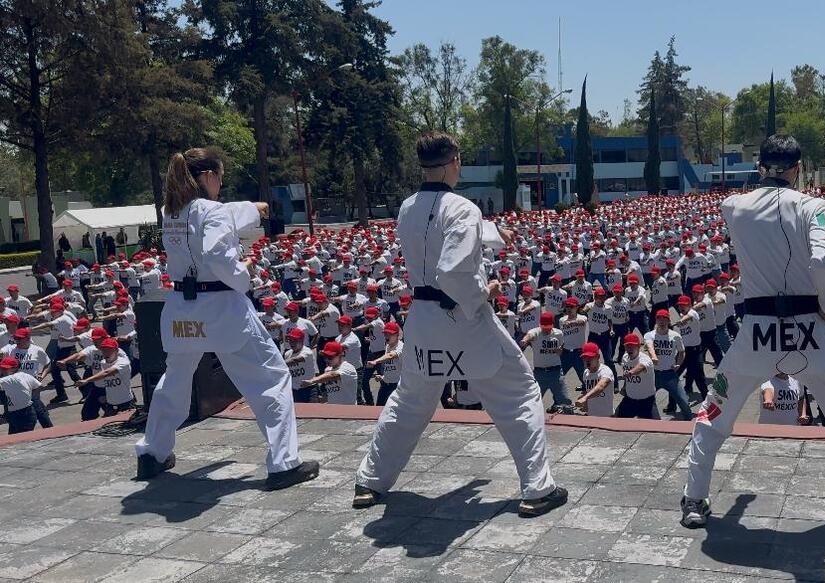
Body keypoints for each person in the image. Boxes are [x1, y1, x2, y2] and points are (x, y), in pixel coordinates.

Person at [679, 135, 825, 538]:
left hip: (755, 333)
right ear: (798, 168)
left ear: (760, 166)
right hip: (810, 330)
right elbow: (824, 260)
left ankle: (694, 498)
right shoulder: (816, 207)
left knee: (713, 413)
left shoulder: (733, 206)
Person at [352, 132, 566, 516]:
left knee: (409, 402)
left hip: (421, 319)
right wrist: (485, 290)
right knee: (520, 393)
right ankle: (538, 488)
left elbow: (440, 225)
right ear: (454, 162)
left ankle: (370, 481)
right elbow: (452, 266)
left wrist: (495, 233)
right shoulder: (464, 208)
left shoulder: (407, 207)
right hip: (462, 317)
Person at [134, 147, 319, 489]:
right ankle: (284, 463)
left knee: (174, 381)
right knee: (271, 378)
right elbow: (217, 250)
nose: (221, 183)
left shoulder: (171, 212)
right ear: (207, 176)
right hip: (220, 307)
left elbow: (217, 215)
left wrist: (252, 208)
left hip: (182, 308)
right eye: (219, 177)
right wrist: (243, 272)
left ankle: (152, 452)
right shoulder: (212, 212)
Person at [615, 333, 658, 419]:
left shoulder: (645, 359)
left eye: (632, 346)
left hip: (646, 401)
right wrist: (625, 387)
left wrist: (631, 372)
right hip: (630, 399)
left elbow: (641, 367)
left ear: (638, 346)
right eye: (627, 346)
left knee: (655, 425)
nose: (630, 349)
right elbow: (627, 376)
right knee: (617, 419)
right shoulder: (625, 358)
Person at [574, 341, 614, 417]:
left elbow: (600, 387)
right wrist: (585, 404)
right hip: (591, 416)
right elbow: (588, 390)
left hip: (606, 416)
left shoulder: (605, 371)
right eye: (585, 358)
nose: (587, 360)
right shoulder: (586, 373)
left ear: (598, 357)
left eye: (590, 357)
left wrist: (585, 398)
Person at [0, 356, 39, 434]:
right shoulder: (25, 375)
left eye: (5, 368)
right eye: (1, 368)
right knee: (14, 438)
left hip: (22, 415)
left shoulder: (9, 379)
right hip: (26, 412)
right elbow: (37, 386)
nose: (2, 370)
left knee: (20, 439)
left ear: (14, 368)